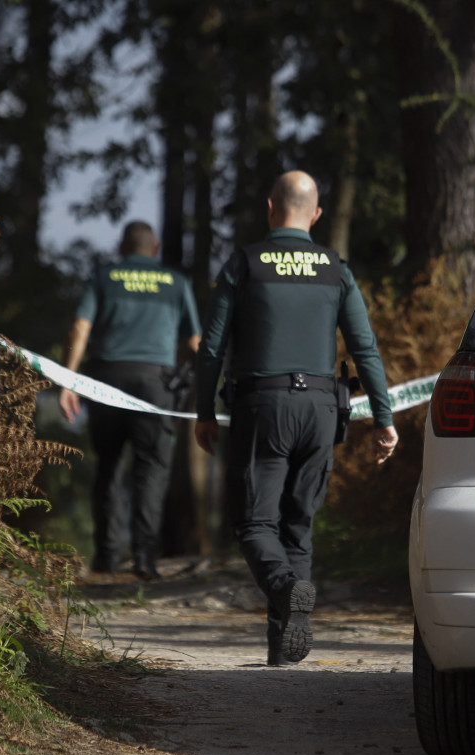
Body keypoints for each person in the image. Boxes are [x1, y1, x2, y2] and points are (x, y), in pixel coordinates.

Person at [193, 170, 399, 666]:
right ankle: (283, 646)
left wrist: (203, 411)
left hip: (263, 405)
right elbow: (365, 348)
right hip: (323, 408)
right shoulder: (336, 268)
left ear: (270, 207)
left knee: (253, 523)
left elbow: (213, 348)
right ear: (317, 214)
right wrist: (384, 417)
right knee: (297, 525)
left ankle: (286, 590)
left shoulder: (244, 263)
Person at [59, 221, 200, 580]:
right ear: (154, 249)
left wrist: (68, 380)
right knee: (151, 469)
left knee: (109, 465)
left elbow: (79, 328)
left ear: (122, 248)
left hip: (107, 379)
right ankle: (144, 559)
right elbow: (196, 344)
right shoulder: (176, 282)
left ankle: (106, 557)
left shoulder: (103, 276)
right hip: (155, 382)